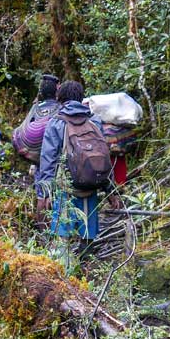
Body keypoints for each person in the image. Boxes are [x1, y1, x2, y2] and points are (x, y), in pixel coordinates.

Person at [35, 80, 116, 240]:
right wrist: (111, 191)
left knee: (62, 235)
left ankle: (64, 262)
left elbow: (48, 160)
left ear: (60, 98)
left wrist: (43, 194)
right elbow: (103, 155)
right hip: (91, 185)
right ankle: (87, 261)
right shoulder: (95, 121)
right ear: (81, 98)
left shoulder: (56, 123)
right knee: (88, 232)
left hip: (66, 187)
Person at [12, 73, 61, 164]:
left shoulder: (35, 107)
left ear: (41, 92)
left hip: (33, 155)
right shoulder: (61, 108)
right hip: (53, 156)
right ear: (57, 92)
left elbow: (20, 130)